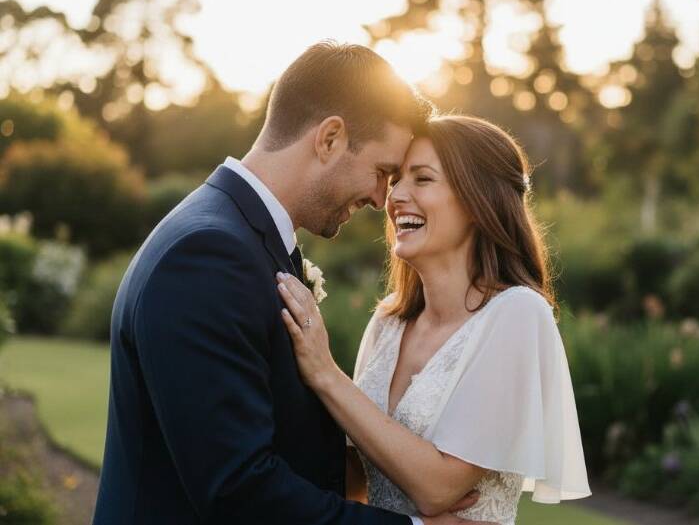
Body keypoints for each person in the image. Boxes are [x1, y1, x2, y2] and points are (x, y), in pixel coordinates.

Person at [93, 42, 486, 525]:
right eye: (382, 172)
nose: (381, 198)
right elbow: (239, 489)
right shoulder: (207, 256)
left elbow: (287, 444)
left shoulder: (238, 237)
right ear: (329, 139)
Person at [277, 115, 591, 525]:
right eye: (395, 181)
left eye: (422, 180)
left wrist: (324, 373)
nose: (395, 197)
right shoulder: (386, 324)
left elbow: (438, 487)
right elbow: (353, 483)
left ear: (479, 200)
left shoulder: (516, 315)